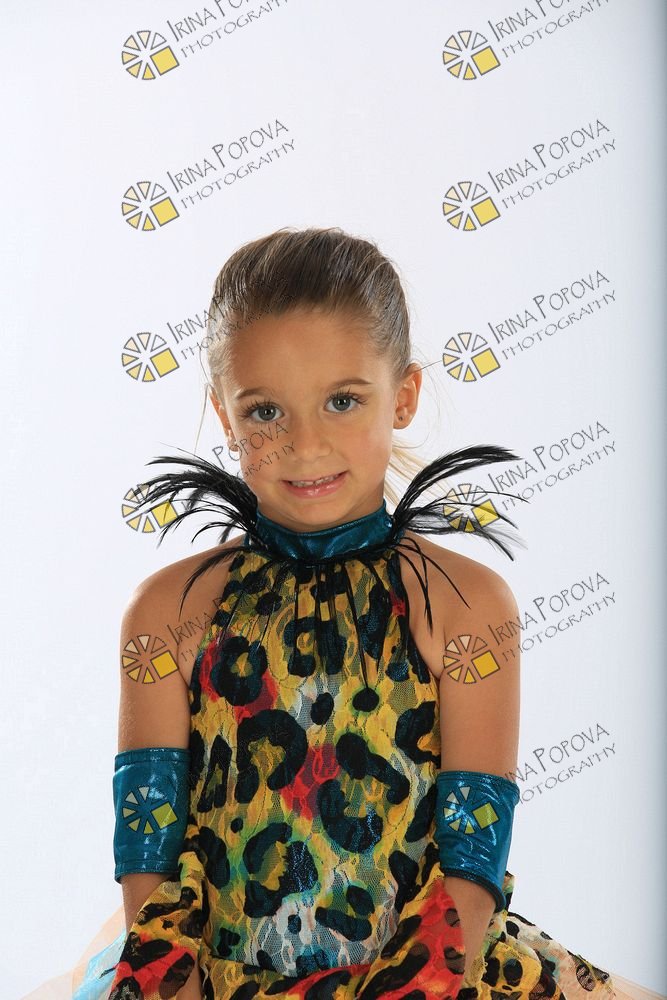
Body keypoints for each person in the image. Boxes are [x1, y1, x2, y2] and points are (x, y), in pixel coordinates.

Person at [26, 228, 651, 1000]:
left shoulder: (462, 607)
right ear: (223, 413)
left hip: (430, 979)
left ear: (405, 396)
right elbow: (147, 865)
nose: (304, 443)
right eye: (265, 411)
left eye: (342, 401)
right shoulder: (168, 615)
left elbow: (471, 869)